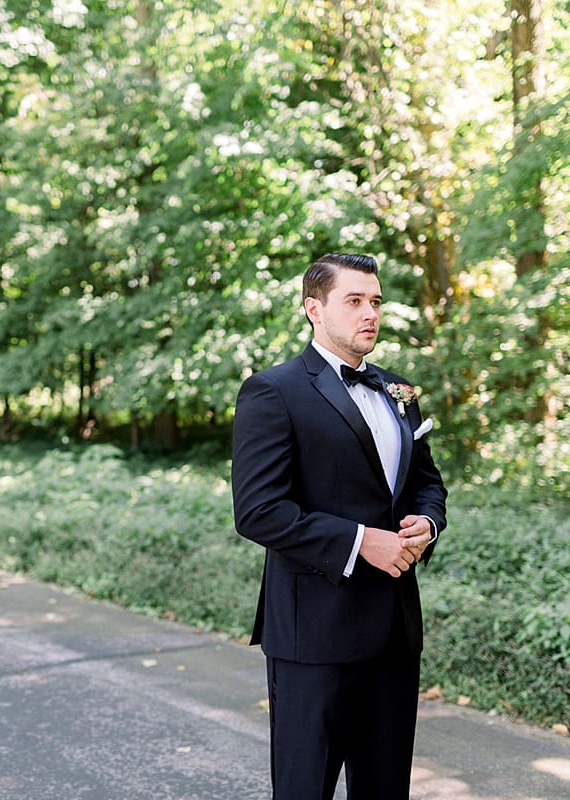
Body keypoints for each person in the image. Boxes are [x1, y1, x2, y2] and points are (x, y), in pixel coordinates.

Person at [231, 253, 448, 799]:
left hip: (394, 635)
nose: (369, 313)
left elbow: (426, 482)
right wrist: (359, 542)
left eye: (375, 301)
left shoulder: (399, 391)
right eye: (353, 301)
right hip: (314, 637)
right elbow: (257, 509)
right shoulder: (273, 391)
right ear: (314, 309)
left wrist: (427, 521)